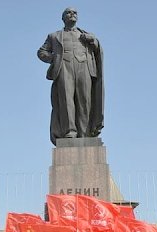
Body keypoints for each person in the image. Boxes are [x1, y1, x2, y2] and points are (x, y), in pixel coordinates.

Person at [37, 7, 104, 145]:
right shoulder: (54, 36)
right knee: (66, 101)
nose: (72, 14)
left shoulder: (86, 35)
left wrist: (95, 41)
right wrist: (54, 59)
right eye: (68, 12)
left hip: (84, 67)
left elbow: (97, 49)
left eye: (75, 12)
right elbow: (41, 52)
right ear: (63, 18)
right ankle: (70, 132)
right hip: (64, 69)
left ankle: (84, 132)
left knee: (85, 100)